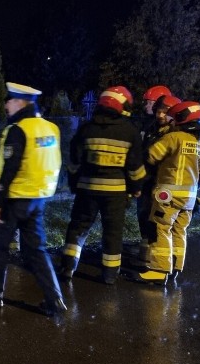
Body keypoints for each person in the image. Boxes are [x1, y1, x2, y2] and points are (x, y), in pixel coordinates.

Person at [0, 82, 67, 316]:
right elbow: (56, 162)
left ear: (19, 102)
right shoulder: (50, 129)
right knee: (36, 250)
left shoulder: (18, 129)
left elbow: (10, 168)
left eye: (9, 101)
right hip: (39, 198)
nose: (6, 105)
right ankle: (55, 299)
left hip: (14, 198)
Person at [59, 86, 146, 285]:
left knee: (78, 227)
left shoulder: (87, 128)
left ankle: (67, 267)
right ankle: (109, 274)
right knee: (113, 231)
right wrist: (136, 188)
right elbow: (135, 167)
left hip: (87, 189)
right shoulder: (129, 131)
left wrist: (75, 185)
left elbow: (74, 163)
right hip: (115, 192)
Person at [137, 100, 200, 285]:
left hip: (168, 195)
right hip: (189, 198)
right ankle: (175, 267)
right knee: (179, 230)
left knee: (160, 229)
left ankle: (159, 271)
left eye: (175, 119)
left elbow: (150, 156)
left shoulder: (173, 138)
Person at [136, 88, 181, 263]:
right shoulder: (150, 126)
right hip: (148, 180)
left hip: (162, 183)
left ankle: (161, 261)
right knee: (144, 214)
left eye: (149, 102)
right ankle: (149, 252)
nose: (147, 106)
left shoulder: (172, 132)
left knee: (160, 222)